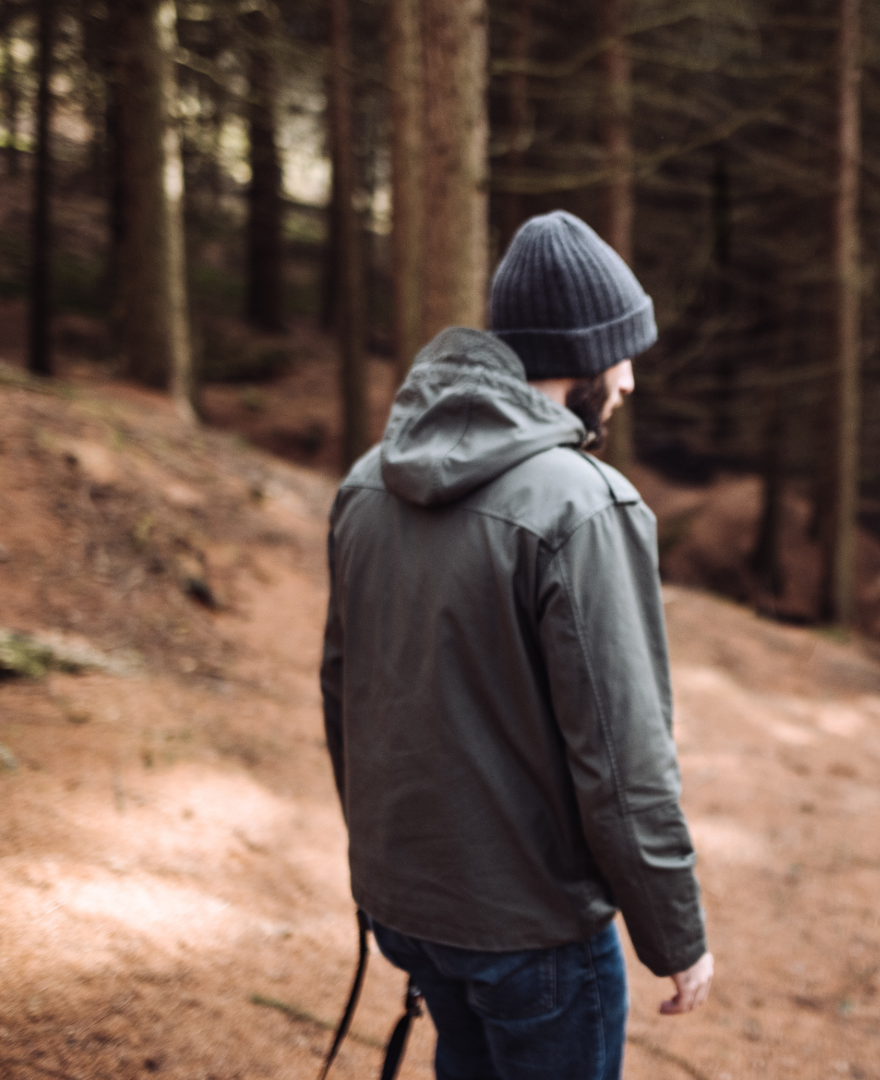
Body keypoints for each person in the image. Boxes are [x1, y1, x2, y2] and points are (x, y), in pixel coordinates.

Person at [320, 210, 712, 1080]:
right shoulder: (582, 505)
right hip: (532, 931)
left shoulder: (366, 482)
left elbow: (344, 696)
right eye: (624, 354)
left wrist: (392, 875)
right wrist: (675, 934)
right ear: (581, 358)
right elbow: (622, 755)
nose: (630, 382)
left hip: (409, 909)